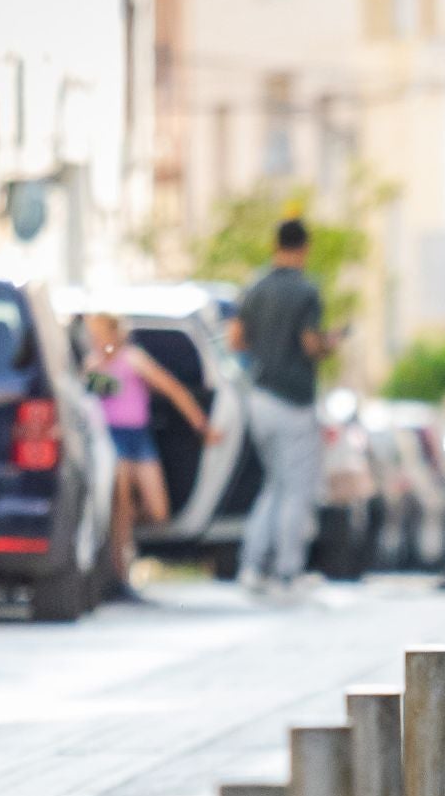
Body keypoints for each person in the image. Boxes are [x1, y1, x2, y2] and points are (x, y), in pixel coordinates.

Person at [230, 218, 341, 593]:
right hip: (293, 399)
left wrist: (266, 349)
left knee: (272, 485)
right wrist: (330, 343)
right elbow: (311, 344)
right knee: (296, 489)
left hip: (259, 397)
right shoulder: (306, 291)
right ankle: (287, 570)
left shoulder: (255, 287)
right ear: (304, 248)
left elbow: (236, 339)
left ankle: (251, 566)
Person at [85, 313, 217, 600]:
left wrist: (202, 425)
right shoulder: (92, 366)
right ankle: (120, 574)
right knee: (118, 503)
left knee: (157, 509)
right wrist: (96, 368)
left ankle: (127, 532)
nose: (97, 341)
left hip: (139, 438)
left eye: (101, 334)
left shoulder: (134, 359)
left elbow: (173, 389)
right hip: (112, 438)